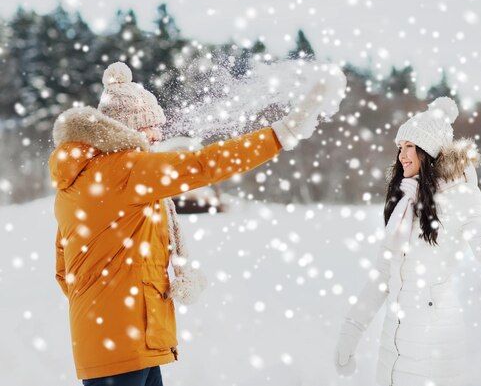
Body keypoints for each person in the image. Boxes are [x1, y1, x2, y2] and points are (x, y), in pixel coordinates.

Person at [50, 61, 346, 385]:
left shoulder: (80, 180)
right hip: (124, 346)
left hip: (112, 342)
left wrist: (102, 309)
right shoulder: (126, 170)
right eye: (151, 126)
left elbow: (65, 271)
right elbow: (205, 165)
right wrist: (281, 134)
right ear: (127, 130)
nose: (158, 134)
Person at [334, 96, 481, 386]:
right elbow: (385, 276)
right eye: (400, 147)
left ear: (429, 151)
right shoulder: (405, 199)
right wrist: (352, 329)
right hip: (393, 346)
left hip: (433, 344)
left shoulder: (461, 194)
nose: (402, 155)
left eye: (410, 146)